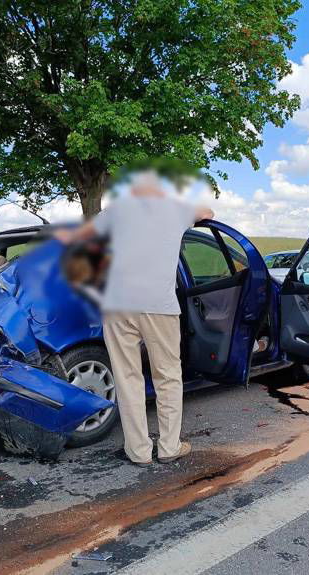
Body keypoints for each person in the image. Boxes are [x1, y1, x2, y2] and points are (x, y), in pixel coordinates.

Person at [56, 172, 214, 466]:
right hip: (159, 306)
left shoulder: (115, 211)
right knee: (167, 376)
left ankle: (138, 451)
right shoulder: (175, 208)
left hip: (117, 304)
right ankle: (169, 447)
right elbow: (207, 213)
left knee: (128, 379)